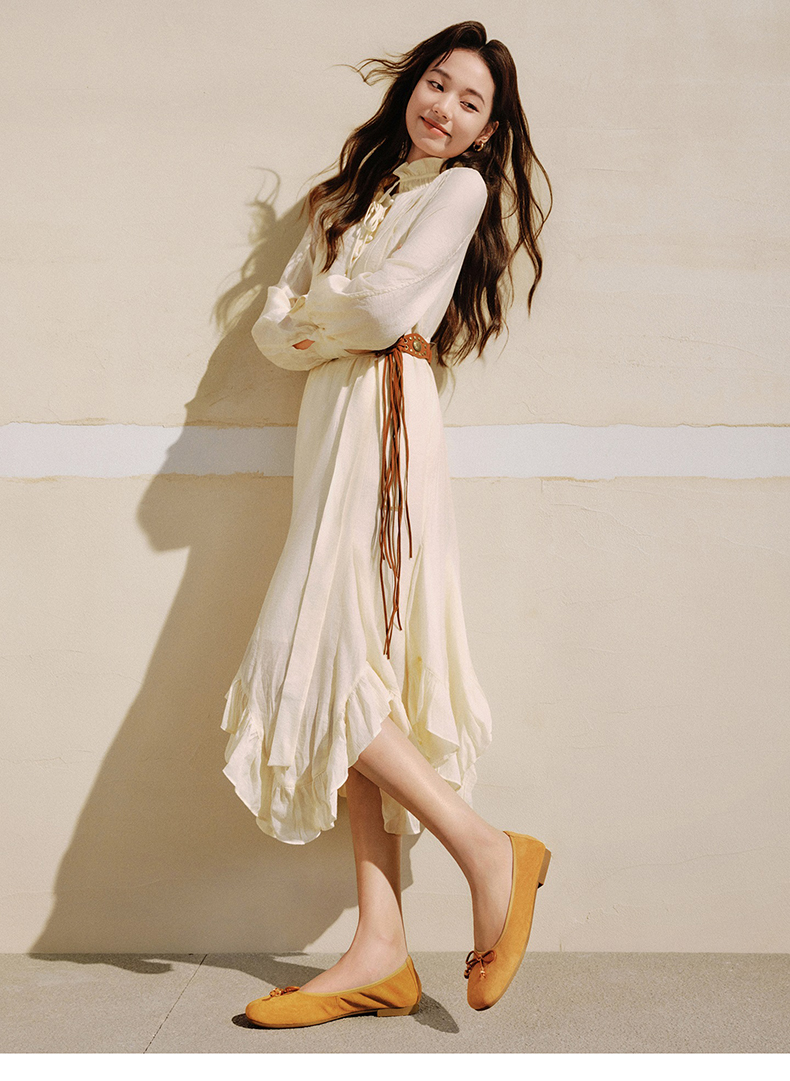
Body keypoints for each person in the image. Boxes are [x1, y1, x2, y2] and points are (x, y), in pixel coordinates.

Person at [220, 20, 553, 1027]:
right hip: (331, 425)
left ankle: (486, 849)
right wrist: (329, 315)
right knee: (353, 660)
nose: (444, 107)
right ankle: (381, 946)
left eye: (470, 101)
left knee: (317, 655)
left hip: (385, 426)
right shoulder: (350, 199)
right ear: (411, 84)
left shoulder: (459, 192)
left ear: (488, 131)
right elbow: (273, 332)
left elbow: (365, 319)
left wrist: (319, 317)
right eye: (437, 83)